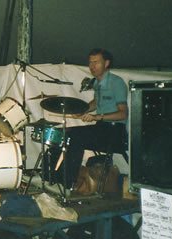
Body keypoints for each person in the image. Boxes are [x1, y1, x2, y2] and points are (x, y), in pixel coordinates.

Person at [54, 48, 128, 188]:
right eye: (90, 63)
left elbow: (123, 114)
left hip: (115, 132)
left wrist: (96, 117)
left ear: (106, 63)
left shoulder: (116, 83)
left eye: (96, 62)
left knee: (75, 137)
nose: (92, 66)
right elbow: (96, 102)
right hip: (102, 128)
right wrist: (82, 110)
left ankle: (68, 184)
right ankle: (56, 178)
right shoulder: (97, 83)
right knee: (65, 133)